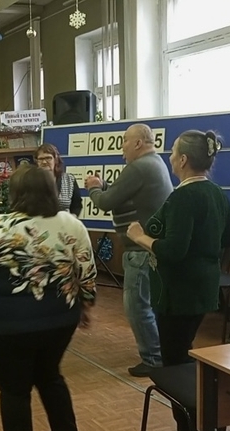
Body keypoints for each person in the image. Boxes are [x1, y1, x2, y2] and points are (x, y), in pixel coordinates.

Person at [0, 164, 97, 431]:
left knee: (14, 390)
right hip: (61, 320)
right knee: (50, 377)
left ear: (16, 193)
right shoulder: (72, 224)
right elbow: (87, 275)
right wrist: (85, 306)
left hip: (9, 326)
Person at [126, 130, 230, 431]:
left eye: (173, 152)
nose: (169, 157)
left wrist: (140, 237)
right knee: (183, 355)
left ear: (183, 160)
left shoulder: (183, 197)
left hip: (178, 292)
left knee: (174, 366)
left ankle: (189, 430)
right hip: (204, 287)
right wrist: (204, 247)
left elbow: (172, 251)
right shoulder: (216, 192)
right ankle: (195, 426)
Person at [84, 123, 173, 377]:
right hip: (150, 250)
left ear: (138, 143)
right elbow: (122, 196)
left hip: (140, 251)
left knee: (137, 307)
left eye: (124, 140)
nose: (122, 147)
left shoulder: (139, 167)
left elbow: (105, 201)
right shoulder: (155, 163)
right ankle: (159, 353)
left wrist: (94, 186)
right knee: (148, 305)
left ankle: (153, 359)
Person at [35, 143, 82, 216]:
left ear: (55, 160)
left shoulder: (69, 179)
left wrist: (72, 218)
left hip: (64, 221)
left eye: (48, 158)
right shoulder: (31, 181)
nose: (44, 162)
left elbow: (77, 205)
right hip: (39, 222)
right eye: (41, 159)